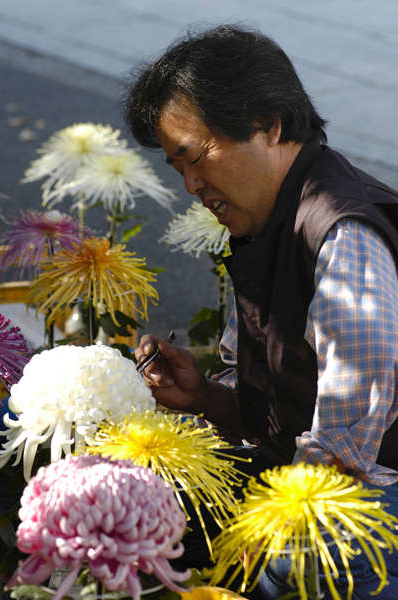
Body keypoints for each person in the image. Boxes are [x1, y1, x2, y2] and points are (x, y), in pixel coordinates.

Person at [123, 24, 398, 599]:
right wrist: (206, 399)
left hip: (367, 499)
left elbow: (342, 451)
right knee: (129, 506)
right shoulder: (268, 221)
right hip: (304, 482)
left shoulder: (340, 232)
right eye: (178, 169)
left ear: (269, 124)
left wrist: (262, 528)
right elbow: (284, 419)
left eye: (195, 158)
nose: (192, 185)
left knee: (294, 565)